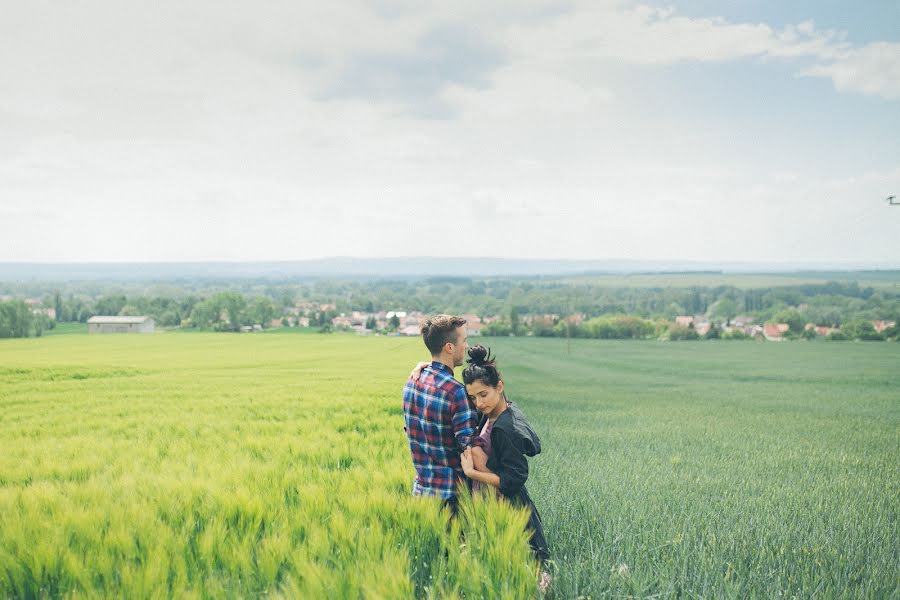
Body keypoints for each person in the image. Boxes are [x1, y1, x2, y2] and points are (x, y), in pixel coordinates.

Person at [459, 345, 552, 591]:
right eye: (472, 397)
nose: (478, 403)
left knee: (532, 578)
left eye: (483, 394)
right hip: (493, 509)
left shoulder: (503, 428)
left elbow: (514, 479)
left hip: (510, 510)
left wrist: (472, 472)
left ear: (499, 387)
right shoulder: (496, 412)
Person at [402, 314, 487, 515]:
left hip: (421, 495)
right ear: (449, 347)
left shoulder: (411, 382)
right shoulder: (456, 392)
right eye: (463, 341)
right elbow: (469, 449)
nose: (466, 347)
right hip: (452, 500)